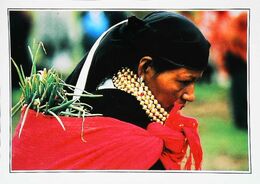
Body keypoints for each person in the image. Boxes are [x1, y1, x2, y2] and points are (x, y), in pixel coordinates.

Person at [12, 11, 210, 170]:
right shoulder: (133, 137)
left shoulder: (106, 97)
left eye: (195, 82)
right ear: (145, 68)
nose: (190, 95)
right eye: (184, 81)